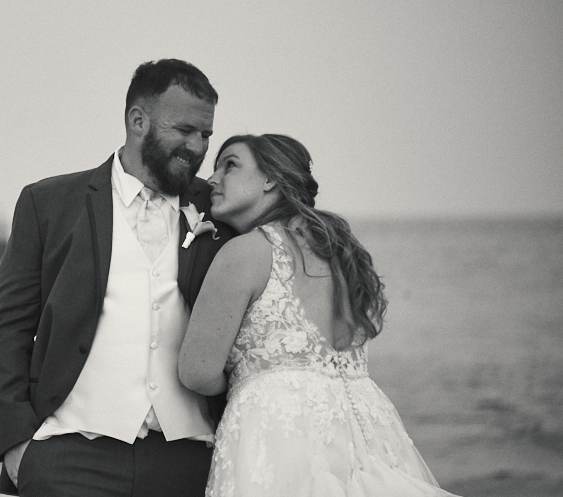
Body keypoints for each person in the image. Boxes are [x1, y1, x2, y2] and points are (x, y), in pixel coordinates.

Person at [0, 59, 234, 497]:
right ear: (138, 121)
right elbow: (7, 331)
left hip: (190, 459)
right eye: (184, 130)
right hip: (69, 455)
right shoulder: (49, 203)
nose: (197, 147)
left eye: (206, 135)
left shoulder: (220, 210)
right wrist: (17, 445)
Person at [178, 134, 459, 496]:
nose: (213, 178)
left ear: (270, 180)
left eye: (229, 165)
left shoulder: (245, 253)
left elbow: (196, 371)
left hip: (280, 435)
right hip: (366, 430)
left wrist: (249, 379)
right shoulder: (342, 255)